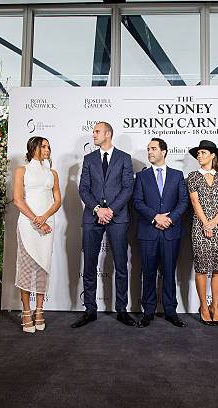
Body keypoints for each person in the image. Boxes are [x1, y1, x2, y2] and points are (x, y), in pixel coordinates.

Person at [73, 121, 136, 328]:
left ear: (108, 134)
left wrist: (111, 211)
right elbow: (83, 189)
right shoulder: (89, 159)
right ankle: (90, 310)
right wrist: (98, 210)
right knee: (89, 265)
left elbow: (128, 188)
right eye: (93, 132)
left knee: (121, 266)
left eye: (97, 131)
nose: (93, 134)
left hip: (118, 218)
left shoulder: (125, 158)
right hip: (92, 217)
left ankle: (122, 310)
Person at [133, 138, 189, 328]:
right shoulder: (141, 177)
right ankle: (148, 312)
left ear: (164, 152)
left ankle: (170, 311)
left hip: (171, 232)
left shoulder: (177, 175)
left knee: (169, 272)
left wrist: (169, 219)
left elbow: (183, 202)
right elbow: (138, 202)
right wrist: (155, 217)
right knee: (148, 273)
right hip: (148, 231)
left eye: (153, 148)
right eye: (148, 149)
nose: (149, 152)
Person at [12, 137, 61, 333]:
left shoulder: (53, 173)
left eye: (49, 146)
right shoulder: (21, 170)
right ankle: (26, 311)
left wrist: (45, 218)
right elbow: (17, 200)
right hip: (27, 223)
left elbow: (57, 200)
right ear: (33, 148)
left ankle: (39, 310)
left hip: (47, 224)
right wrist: (35, 220)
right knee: (25, 267)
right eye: (44, 146)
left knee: (43, 267)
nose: (48, 149)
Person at [187, 140, 218, 326]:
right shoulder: (193, 176)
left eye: (203, 152)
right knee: (202, 268)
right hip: (200, 226)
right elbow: (195, 202)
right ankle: (204, 307)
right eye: (198, 153)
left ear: (213, 155)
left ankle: (216, 307)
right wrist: (206, 224)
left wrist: (213, 223)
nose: (199, 155)